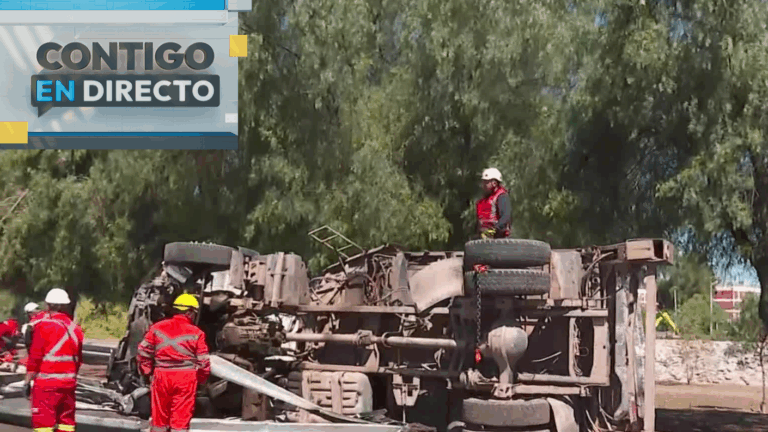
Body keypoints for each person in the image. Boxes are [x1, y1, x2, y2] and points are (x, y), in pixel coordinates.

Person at [137, 293, 210, 432]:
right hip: (185, 378)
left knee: (159, 420)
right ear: (189, 312)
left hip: (161, 375)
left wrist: (147, 371)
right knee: (180, 421)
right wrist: (201, 379)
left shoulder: (157, 328)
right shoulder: (197, 333)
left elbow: (143, 351)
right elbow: (204, 362)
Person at [25, 288, 84, 432]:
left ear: (47, 305)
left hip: (47, 384)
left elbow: (35, 357)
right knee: (66, 422)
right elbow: (78, 360)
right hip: (69, 384)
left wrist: (27, 380)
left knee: (44, 424)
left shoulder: (44, 326)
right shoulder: (75, 329)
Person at [476, 167, 512, 239]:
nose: (483, 184)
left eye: (486, 182)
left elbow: (506, 216)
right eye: (483, 182)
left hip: (500, 238)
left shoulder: (501, 197)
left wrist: (494, 230)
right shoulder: (483, 200)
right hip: (485, 237)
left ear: (494, 183)